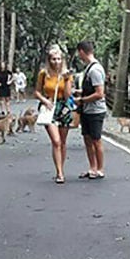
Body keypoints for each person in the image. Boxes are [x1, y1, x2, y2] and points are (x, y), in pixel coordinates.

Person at [34, 46, 74, 184]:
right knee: (56, 141)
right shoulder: (44, 73)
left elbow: (68, 95)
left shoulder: (67, 74)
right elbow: (37, 91)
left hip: (63, 107)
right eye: (53, 59)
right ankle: (59, 173)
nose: (56, 62)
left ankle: (61, 168)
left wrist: (68, 79)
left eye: (58, 59)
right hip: (49, 107)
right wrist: (45, 100)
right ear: (49, 60)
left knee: (62, 142)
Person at [74, 40, 107, 180]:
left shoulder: (95, 70)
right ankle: (92, 167)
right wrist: (78, 92)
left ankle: (100, 169)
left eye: (78, 52)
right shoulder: (88, 68)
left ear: (82, 51)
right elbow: (90, 89)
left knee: (96, 140)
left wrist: (82, 100)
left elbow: (99, 93)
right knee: (87, 139)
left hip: (95, 111)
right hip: (86, 110)